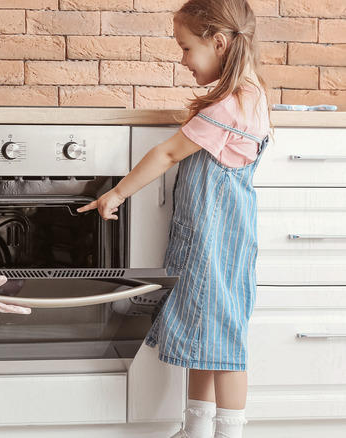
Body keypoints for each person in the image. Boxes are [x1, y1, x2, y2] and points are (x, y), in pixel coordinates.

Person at [78, 1, 270, 437]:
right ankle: (197, 429)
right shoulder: (253, 96)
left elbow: (166, 153)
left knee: (222, 344)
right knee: (208, 337)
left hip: (211, 239)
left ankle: (227, 433)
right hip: (230, 238)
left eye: (186, 48)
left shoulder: (226, 109)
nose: (182, 59)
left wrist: (116, 193)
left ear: (218, 43)